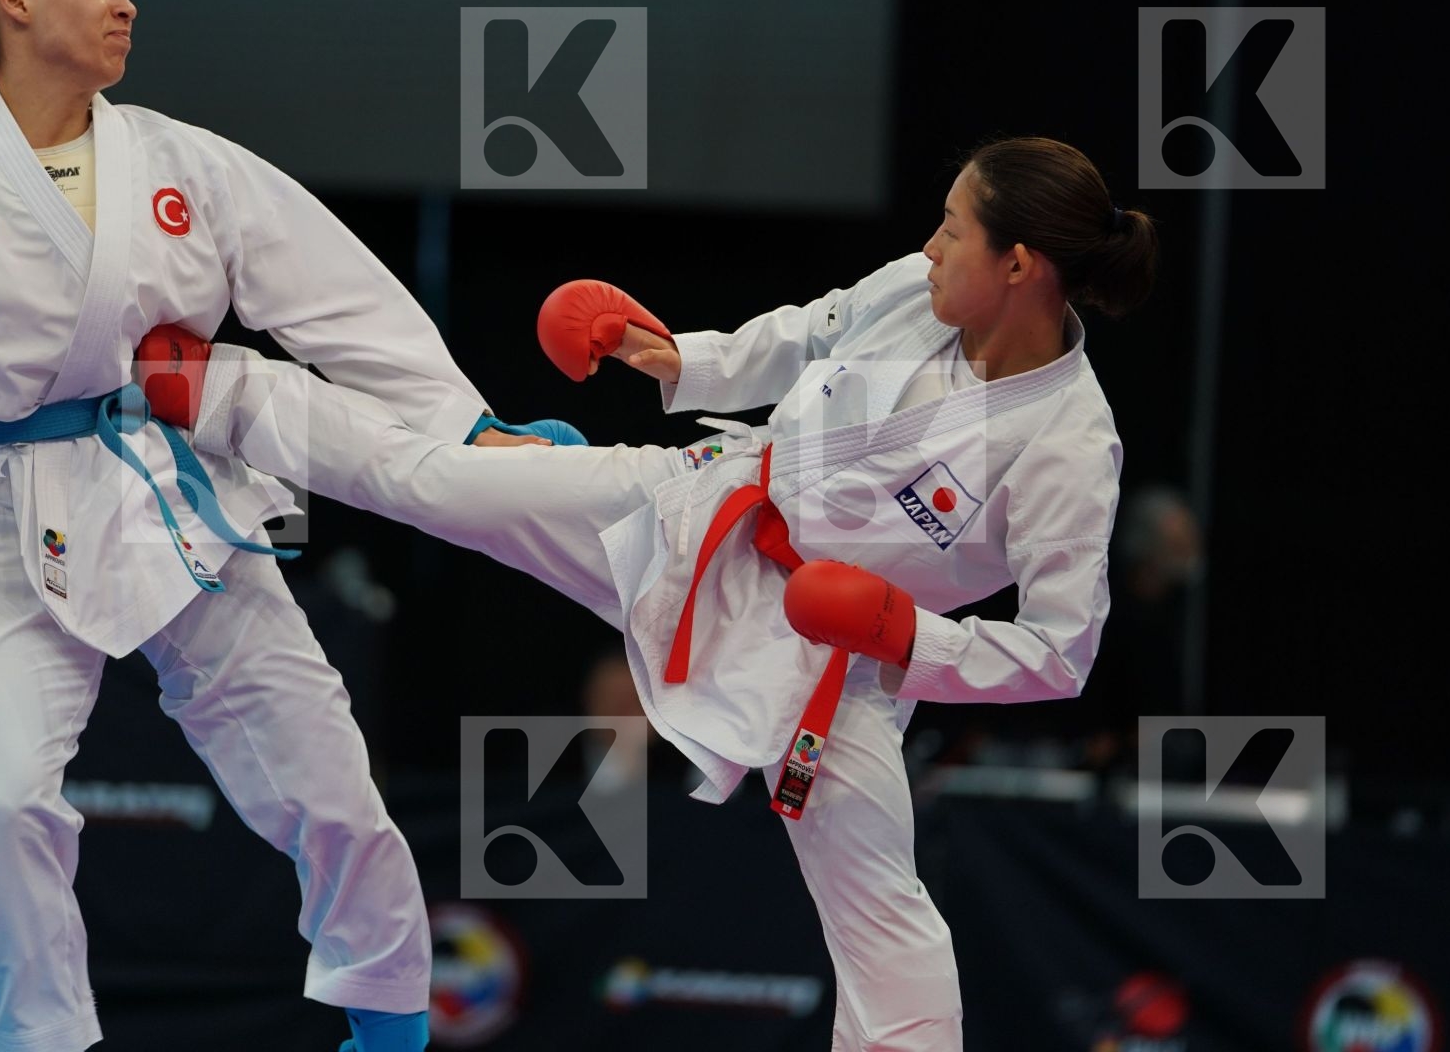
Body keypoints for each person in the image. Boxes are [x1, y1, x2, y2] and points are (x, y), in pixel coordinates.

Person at [0, 0, 553, 1052]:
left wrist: (469, 430)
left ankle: (390, 1020)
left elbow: (344, 304)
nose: (128, 3)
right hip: (8, 519)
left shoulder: (181, 161)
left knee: (329, 781)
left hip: (182, 496)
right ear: (15, 0)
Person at [133, 136, 1158, 1051]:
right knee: (443, 484)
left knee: (887, 918)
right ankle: (219, 388)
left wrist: (905, 635)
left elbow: (1062, 655)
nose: (931, 246)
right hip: (696, 521)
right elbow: (807, 331)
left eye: (953, 230)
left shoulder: (1069, 445)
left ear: (1019, 265)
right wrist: (678, 357)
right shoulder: (918, 291)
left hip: (830, 665)